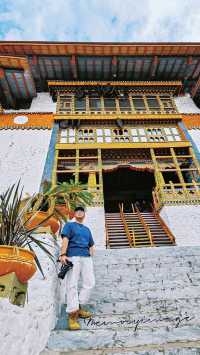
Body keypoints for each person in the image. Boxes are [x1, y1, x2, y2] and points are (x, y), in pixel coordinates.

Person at [58, 206, 95, 331]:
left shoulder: (87, 229)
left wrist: (91, 253)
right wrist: (63, 254)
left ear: (84, 214)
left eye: (82, 210)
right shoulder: (69, 225)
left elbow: (91, 244)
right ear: (74, 213)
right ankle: (72, 315)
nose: (80, 212)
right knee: (72, 284)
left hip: (86, 258)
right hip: (73, 257)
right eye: (77, 210)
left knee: (90, 283)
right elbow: (65, 239)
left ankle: (78, 307)